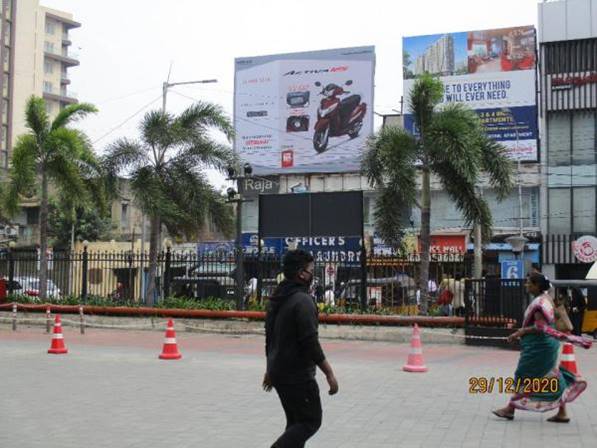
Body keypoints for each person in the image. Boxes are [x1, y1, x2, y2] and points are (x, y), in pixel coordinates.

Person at [263, 250, 339, 447]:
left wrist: (269, 369)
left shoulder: (279, 297)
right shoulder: (302, 301)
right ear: (301, 273)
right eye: (311, 270)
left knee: (295, 424)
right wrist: (329, 373)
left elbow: (270, 338)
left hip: (280, 372)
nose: (313, 274)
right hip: (296, 376)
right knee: (310, 421)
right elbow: (309, 342)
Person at [492, 272, 591, 423]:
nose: (527, 285)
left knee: (523, 376)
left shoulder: (539, 304)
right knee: (550, 376)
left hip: (539, 348)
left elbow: (540, 326)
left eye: (529, 283)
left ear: (537, 286)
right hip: (546, 345)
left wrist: (521, 332)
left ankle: (510, 409)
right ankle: (562, 412)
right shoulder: (546, 299)